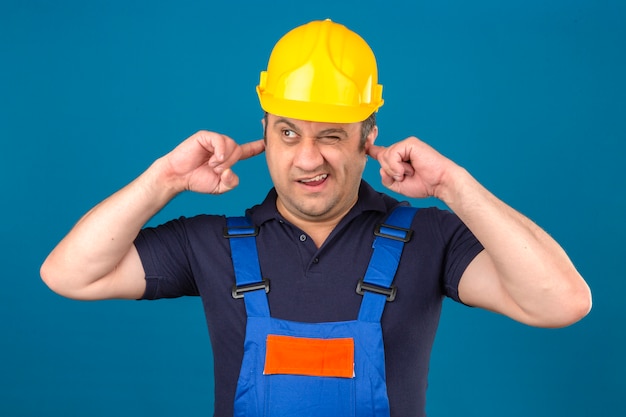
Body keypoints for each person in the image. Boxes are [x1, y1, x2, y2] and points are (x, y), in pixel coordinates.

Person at [41, 19, 591, 417]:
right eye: (288, 132)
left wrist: (454, 186)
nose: (307, 158)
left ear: (367, 138)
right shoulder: (210, 243)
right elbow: (68, 274)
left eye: (331, 135)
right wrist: (162, 180)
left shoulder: (432, 238)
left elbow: (561, 303)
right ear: (265, 129)